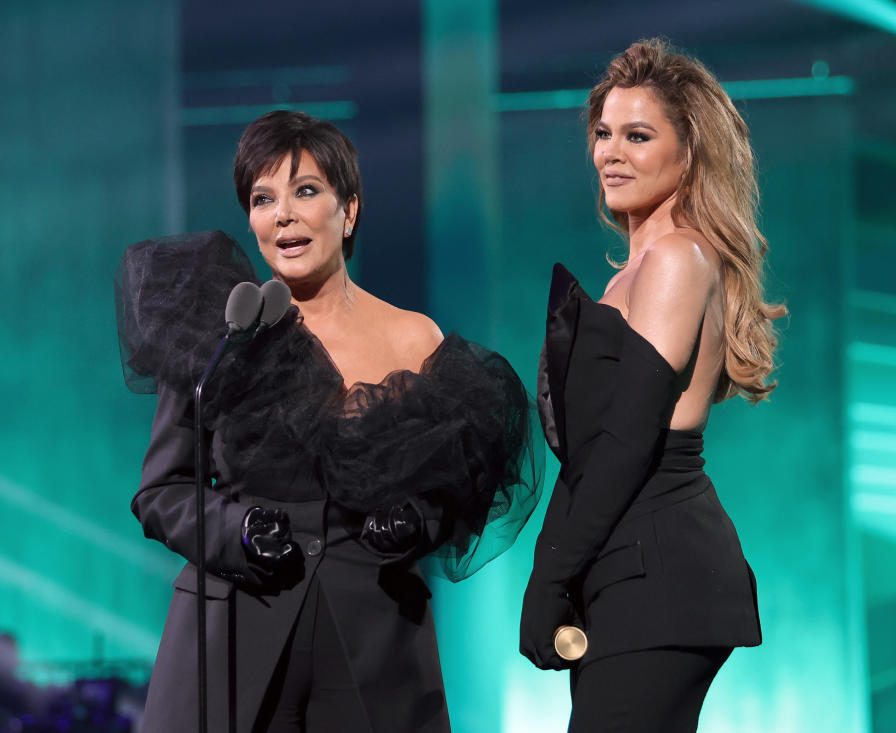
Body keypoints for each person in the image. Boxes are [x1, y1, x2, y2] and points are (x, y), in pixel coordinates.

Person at [116, 110, 539, 733]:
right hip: (234, 634)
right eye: (263, 199)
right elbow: (161, 492)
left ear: (349, 211)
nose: (282, 213)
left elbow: (455, 489)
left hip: (374, 643)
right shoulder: (218, 333)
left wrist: (414, 520)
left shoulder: (414, 338)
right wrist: (237, 530)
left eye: (305, 191)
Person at [519, 39, 786, 732]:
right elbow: (590, 456)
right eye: (603, 134)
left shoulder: (677, 256)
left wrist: (548, 576)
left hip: (661, 573)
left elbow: (628, 436)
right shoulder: (628, 274)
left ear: (689, 152)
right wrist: (559, 572)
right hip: (628, 572)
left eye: (638, 135)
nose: (612, 151)